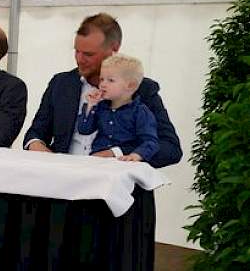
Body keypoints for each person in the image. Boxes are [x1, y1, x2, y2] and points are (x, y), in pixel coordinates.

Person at [23, 13, 182, 168]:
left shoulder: (142, 89)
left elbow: (170, 148)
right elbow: (35, 133)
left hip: (115, 189)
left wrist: (116, 153)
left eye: (88, 54)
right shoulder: (61, 84)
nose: (79, 59)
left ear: (114, 48)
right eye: (76, 51)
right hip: (62, 185)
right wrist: (37, 147)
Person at [77, 54, 159, 162]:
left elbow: (150, 141)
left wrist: (137, 155)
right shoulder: (100, 107)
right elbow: (84, 129)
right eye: (102, 79)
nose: (102, 85)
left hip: (123, 164)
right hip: (97, 162)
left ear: (131, 86)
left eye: (110, 80)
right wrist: (90, 105)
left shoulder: (140, 112)